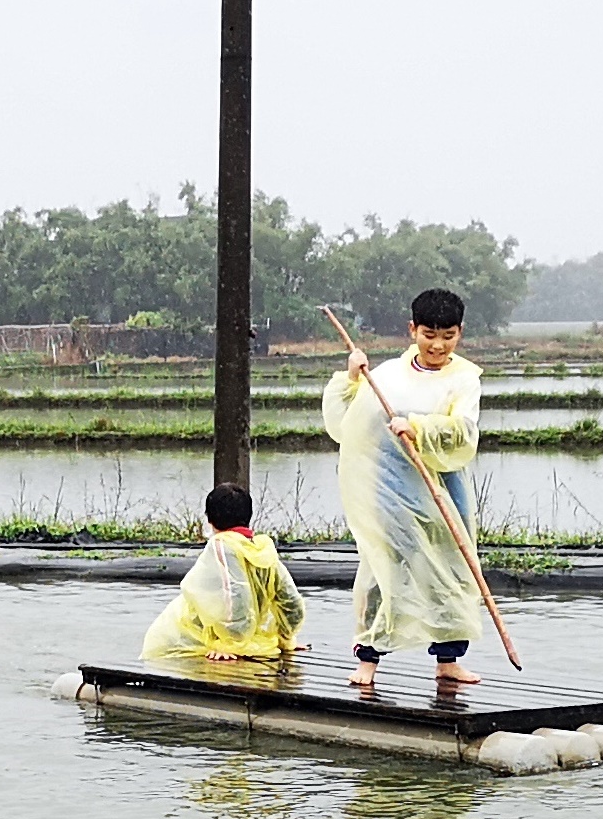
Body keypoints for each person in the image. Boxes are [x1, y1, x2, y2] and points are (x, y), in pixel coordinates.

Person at [321, 287, 485, 692]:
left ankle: (448, 662)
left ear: (460, 333)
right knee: (383, 567)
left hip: (440, 487)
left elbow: (464, 432)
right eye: (429, 334)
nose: (438, 344)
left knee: (452, 568)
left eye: (447, 336)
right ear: (412, 330)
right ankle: (368, 663)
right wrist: (352, 377)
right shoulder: (389, 376)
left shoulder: (465, 379)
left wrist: (420, 427)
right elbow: (345, 424)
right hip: (389, 490)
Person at [141, 482, 308, 663]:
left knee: (158, 659)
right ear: (248, 516)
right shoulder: (262, 547)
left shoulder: (221, 545)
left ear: (210, 520)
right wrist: (286, 637)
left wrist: (230, 643)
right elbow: (290, 600)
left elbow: (236, 594)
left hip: (203, 642)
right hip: (252, 643)